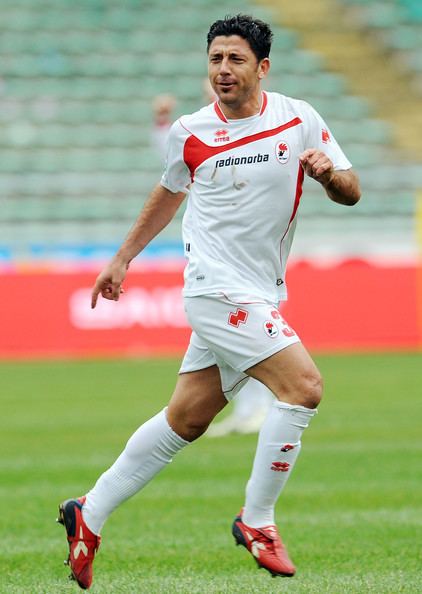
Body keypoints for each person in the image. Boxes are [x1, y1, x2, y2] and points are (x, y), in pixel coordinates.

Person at [58, 14, 360, 589]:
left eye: (235, 59)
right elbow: (168, 192)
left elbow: (351, 189)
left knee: (188, 419)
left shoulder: (299, 119)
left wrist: (326, 175)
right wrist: (122, 258)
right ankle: (259, 520)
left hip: (262, 289)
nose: (223, 69)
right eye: (215, 58)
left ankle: (88, 512)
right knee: (303, 388)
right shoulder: (192, 132)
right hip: (215, 291)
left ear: (262, 67)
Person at [151, 86, 273, 437]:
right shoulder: (200, 134)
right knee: (234, 345)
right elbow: (171, 167)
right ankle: (252, 410)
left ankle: (261, 409)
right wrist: (162, 121)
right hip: (217, 262)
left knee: (250, 343)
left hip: (249, 262)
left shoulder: (255, 132)